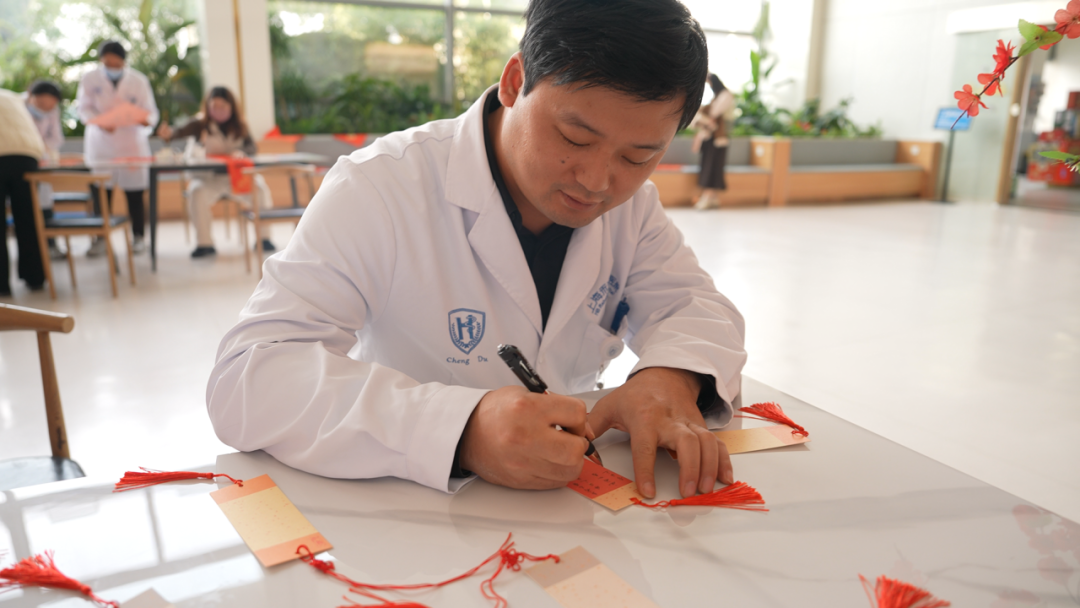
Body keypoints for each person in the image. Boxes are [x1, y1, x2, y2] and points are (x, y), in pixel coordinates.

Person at [208, 0, 746, 501]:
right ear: (514, 82)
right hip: (411, 506)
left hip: (566, 507)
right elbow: (247, 380)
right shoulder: (379, 188)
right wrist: (458, 429)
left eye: (638, 157)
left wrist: (668, 379)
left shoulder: (632, 209)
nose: (597, 181)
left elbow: (697, 309)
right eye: (575, 139)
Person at [157, 86, 275, 258]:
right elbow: (179, 132)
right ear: (208, 106)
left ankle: (264, 239)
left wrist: (241, 153)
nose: (218, 110)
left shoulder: (240, 125)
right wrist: (168, 133)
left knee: (260, 189)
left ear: (231, 107)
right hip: (208, 179)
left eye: (222, 106)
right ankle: (205, 244)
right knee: (196, 192)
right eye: (214, 106)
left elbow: (252, 148)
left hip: (236, 178)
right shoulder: (199, 124)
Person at [76, 40, 158, 256]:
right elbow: (83, 108)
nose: (112, 66)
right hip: (101, 143)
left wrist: (145, 120)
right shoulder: (90, 79)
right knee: (102, 194)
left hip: (131, 143)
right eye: (107, 63)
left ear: (123, 61)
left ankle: (138, 237)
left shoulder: (138, 80)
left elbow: (151, 112)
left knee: (135, 194)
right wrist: (100, 122)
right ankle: (101, 239)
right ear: (101, 60)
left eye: (116, 63)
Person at [0, 88, 47, 296]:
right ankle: (35, 278)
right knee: (28, 218)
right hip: (27, 155)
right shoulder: (12, 96)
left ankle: (2, 286)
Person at [25, 80, 67, 260]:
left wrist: (42, 147)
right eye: (41, 104)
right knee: (25, 207)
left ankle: (50, 245)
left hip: (42, 160)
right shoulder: (17, 107)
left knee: (45, 202)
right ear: (31, 96)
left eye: (50, 107)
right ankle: (32, 250)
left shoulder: (53, 112)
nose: (45, 110)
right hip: (21, 160)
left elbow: (56, 139)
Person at [691, 73, 736, 210]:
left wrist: (703, 117)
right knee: (708, 166)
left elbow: (714, 114)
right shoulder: (715, 98)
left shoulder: (725, 95)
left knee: (713, 167)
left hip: (718, 139)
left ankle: (707, 197)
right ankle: (713, 198)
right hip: (709, 138)